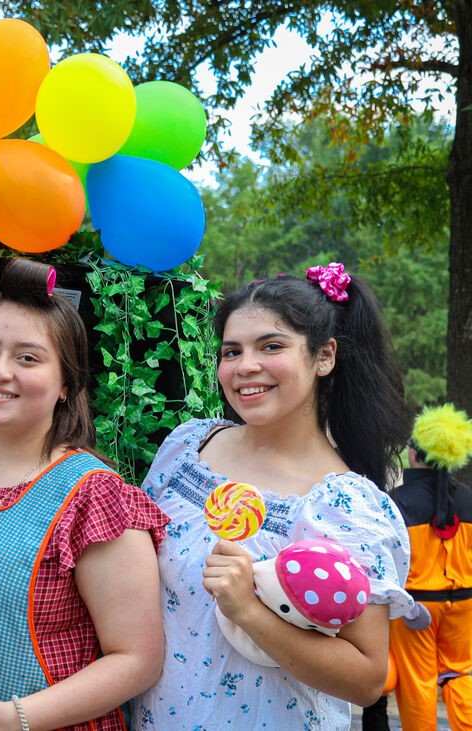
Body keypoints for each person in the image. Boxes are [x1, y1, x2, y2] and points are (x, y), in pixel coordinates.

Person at [133, 263, 415, 730]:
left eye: (271, 346)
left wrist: (248, 611)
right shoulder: (187, 447)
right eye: (231, 351)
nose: (246, 367)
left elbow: (367, 678)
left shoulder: (346, 505)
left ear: (324, 356)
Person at [0, 259, 168, 731]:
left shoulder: (94, 497)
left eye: (27, 358)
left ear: (66, 383)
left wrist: (17, 718)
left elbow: (137, 659)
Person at [389, 403, 472, 731]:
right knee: (462, 673)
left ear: (413, 454)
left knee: (418, 682)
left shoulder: (397, 499)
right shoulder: (468, 498)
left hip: (416, 609)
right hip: (465, 604)